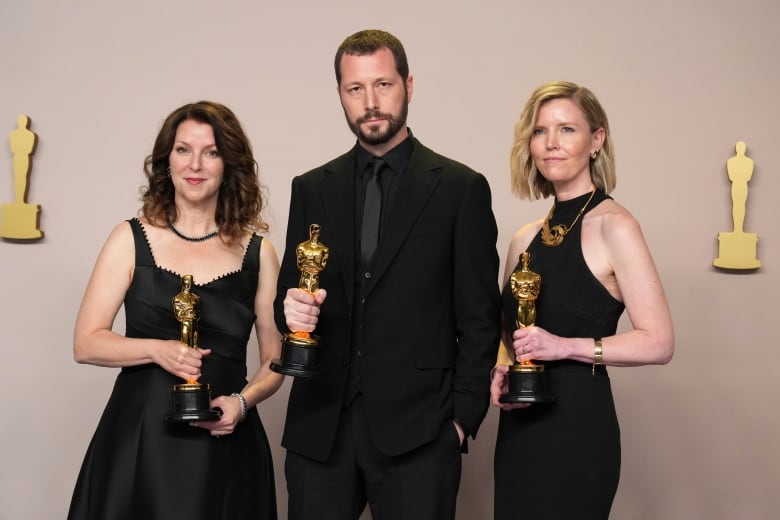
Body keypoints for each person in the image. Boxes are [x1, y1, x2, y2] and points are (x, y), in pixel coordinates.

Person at [274, 29, 501, 519]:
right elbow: (286, 299)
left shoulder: (460, 189)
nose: (371, 102)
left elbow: (481, 317)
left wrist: (460, 421)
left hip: (420, 435)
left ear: (409, 85)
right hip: (320, 431)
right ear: (340, 94)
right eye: (355, 89)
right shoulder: (312, 187)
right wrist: (288, 308)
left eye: (383, 85)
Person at [68, 101, 282, 520]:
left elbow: (275, 359)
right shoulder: (129, 238)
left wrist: (242, 402)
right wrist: (157, 350)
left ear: (229, 163)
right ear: (167, 160)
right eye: (183, 150)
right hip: (139, 440)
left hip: (227, 442)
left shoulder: (260, 253)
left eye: (211, 152)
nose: (195, 164)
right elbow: (85, 343)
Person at [490, 81, 675, 519]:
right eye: (540, 132)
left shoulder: (617, 226)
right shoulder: (523, 240)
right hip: (519, 430)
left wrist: (565, 346)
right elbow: (507, 332)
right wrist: (499, 368)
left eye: (567, 129)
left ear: (596, 140)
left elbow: (659, 342)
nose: (551, 143)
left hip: (579, 431)